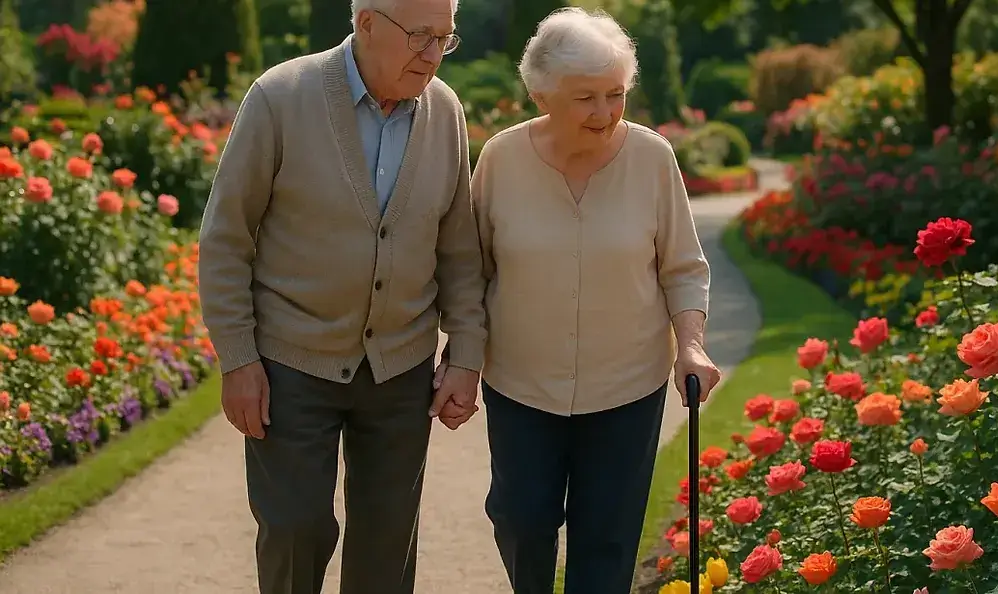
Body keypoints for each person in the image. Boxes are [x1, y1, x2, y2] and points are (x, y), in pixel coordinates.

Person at [196, 0, 485, 591]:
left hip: (401, 368)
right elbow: (225, 238)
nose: (433, 56)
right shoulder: (281, 96)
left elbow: (458, 247)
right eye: (420, 37)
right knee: (296, 531)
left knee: (387, 545)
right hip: (291, 364)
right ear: (367, 23)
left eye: (445, 39)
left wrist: (466, 354)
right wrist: (239, 359)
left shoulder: (445, 111)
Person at [469, 7, 722, 593]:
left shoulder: (653, 158)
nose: (605, 114)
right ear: (541, 95)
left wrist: (692, 346)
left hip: (626, 385)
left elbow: (683, 266)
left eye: (616, 94)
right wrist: (462, 358)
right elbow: (471, 272)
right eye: (585, 98)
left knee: (607, 541)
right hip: (521, 382)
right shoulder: (500, 161)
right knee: (521, 519)